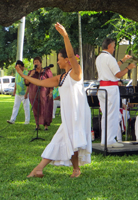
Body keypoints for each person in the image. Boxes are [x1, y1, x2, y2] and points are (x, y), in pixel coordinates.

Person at [15, 22, 91, 178]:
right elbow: (41, 82)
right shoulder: (60, 77)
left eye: (59, 59)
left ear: (67, 61)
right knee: (65, 140)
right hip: (68, 116)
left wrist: (65, 36)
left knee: (70, 139)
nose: (58, 61)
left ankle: (41, 168)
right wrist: (24, 76)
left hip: (78, 114)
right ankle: (45, 169)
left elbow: (71, 55)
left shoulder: (76, 73)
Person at [96, 38, 136, 148]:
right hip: (111, 89)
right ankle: (110, 140)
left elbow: (111, 68)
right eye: (113, 46)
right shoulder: (110, 58)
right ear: (109, 46)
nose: (114, 48)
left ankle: (105, 139)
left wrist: (122, 60)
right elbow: (117, 75)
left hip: (102, 88)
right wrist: (128, 67)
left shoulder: (99, 58)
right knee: (113, 115)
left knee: (105, 115)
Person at [25, 57, 53, 130]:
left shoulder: (46, 71)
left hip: (44, 94)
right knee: (35, 109)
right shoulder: (31, 72)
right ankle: (37, 125)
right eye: (34, 62)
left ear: (40, 63)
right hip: (33, 94)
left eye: (37, 62)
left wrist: (51, 92)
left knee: (44, 109)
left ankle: (45, 125)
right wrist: (30, 75)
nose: (36, 63)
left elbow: (51, 81)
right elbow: (26, 83)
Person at [7, 60, 30, 124]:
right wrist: (14, 90)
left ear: (23, 67)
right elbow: (16, 82)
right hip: (18, 93)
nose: (18, 68)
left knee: (26, 107)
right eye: (17, 67)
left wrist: (26, 93)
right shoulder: (17, 73)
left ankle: (27, 121)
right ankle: (12, 119)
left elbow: (28, 84)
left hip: (24, 93)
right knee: (15, 106)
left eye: (20, 67)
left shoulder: (26, 73)